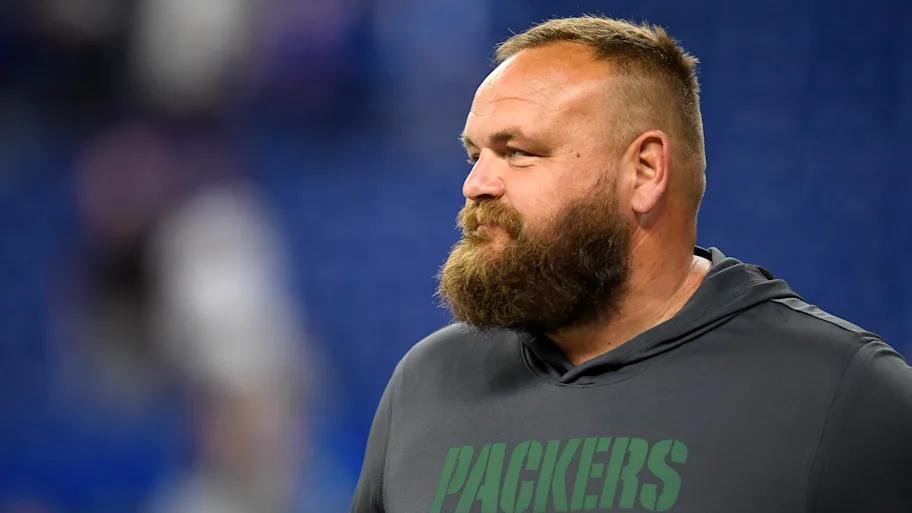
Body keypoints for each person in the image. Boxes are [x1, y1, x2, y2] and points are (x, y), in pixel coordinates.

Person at [351, 16, 912, 513]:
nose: (475, 185)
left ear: (645, 171)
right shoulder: (427, 384)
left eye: (518, 152)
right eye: (476, 155)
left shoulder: (840, 395)